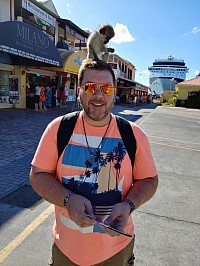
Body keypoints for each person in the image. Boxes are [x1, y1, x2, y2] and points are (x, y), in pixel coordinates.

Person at [30, 59, 158, 266]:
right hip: (66, 251)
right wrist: (68, 199)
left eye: (106, 88)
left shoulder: (134, 135)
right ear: (80, 90)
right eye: (91, 87)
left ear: (114, 92)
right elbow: (37, 175)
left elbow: (149, 179)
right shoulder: (58, 129)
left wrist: (128, 205)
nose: (99, 95)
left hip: (115, 251)